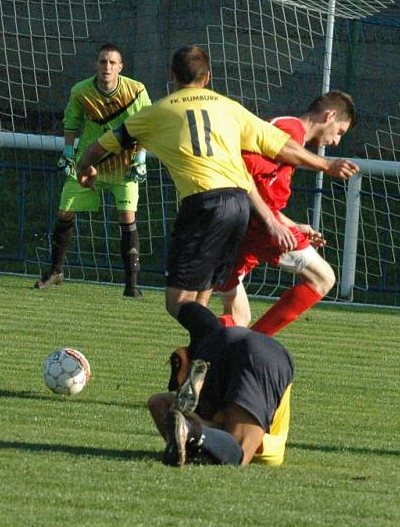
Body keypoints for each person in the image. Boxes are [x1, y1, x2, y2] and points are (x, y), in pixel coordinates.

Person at [76, 45, 359, 345]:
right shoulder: (230, 107)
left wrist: (84, 166)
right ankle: (214, 362)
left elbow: (105, 144)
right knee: (217, 308)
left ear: (172, 75)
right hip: (240, 207)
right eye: (340, 132)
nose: (337, 141)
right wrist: (324, 166)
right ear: (208, 77)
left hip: (207, 206)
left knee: (179, 302)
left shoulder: (158, 111)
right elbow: (269, 154)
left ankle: (219, 351)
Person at [216, 91, 358, 335]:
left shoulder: (289, 134)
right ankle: (252, 348)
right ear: (330, 115)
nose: (336, 141)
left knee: (239, 317)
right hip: (255, 226)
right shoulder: (290, 131)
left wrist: (292, 224)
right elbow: (244, 171)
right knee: (323, 278)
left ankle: (197, 355)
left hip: (239, 225)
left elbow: (261, 192)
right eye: (339, 132)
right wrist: (274, 223)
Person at [35, 43, 151, 297]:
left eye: (112, 62)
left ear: (120, 67)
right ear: (95, 65)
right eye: (102, 62)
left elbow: (146, 125)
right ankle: (56, 270)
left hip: (124, 165)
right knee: (64, 212)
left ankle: (131, 285)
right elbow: (72, 122)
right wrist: (67, 153)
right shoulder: (81, 91)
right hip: (88, 164)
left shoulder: (136, 90)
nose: (106, 67)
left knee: (127, 217)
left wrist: (140, 158)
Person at [147, 302, 293, 466]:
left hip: (219, 341)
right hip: (261, 353)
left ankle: (189, 430)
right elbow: (270, 455)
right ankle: (190, 431)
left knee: (161, 403)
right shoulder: (271, 445)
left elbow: (156, 403)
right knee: (239, 452)